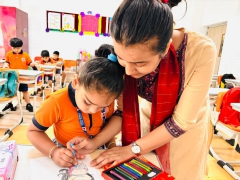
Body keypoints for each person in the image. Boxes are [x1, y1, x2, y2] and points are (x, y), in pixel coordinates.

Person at [66, 0, 217, 179]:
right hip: (147, 123)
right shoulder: (126, 43)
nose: (128, 71)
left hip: (185, 134)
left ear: (165, 50)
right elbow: (122, 112)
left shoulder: (201, 51)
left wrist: (132, 149)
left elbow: (181, 122)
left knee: (180, 174)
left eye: (140, 63)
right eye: (121, 59)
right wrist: (96, 142)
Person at [26, 44, 125, 167]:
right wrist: (54, 152)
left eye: (102, 107)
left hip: (99, 148)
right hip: (65, 153)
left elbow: (112, 121)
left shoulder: (107, 98)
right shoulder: (56, 102)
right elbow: (32, 131)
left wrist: (108, 145)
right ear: (76, 82)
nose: (94, 110)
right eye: (88, 102)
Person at [4, 37, 36, 112]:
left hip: (22, 77)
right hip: (12, 77)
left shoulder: (25, 55)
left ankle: (28, 104)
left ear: (21, 47)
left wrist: (33, 64)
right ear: (11, 47)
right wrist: (5, 65)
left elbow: (29, 63)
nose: (16, 50)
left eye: (18, 48)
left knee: (24, 90)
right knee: (10, 90)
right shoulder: (9, 54)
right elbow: (7, 62)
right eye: (14, 48)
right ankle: (11, 104)